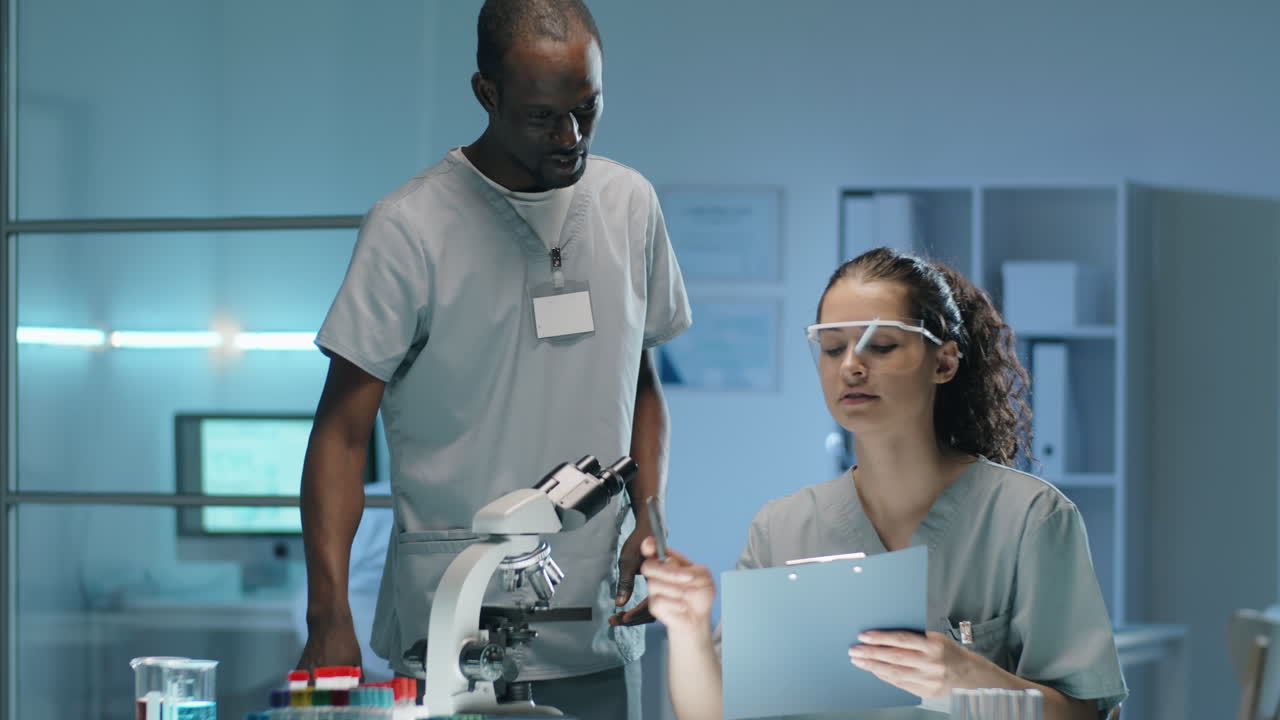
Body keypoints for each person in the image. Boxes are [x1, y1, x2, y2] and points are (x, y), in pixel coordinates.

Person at [296, 0, 690, 717]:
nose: (571, 136)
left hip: (595, 618)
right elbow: (341, 434)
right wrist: (328, 614)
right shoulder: (410, 228)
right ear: (487, 94)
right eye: (544, 116)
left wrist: (651, 520)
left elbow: (642, 386)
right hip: (448, 631)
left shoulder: (629, 205)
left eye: (588, 107)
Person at [641, 247, 1127, 720]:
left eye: (882, 345)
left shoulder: (1029, 518)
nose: (850, 365)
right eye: (832, 347)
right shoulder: (783, 528)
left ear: (944, 363)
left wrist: (970, 680)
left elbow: (1082, 713)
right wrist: (689, 629)